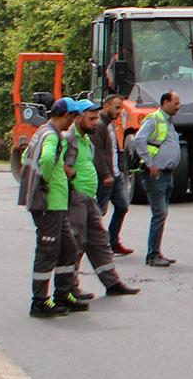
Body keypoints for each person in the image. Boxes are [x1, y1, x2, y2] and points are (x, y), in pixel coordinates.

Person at [14, 98, 86, 318]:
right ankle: (39, 302)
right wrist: (47, 179)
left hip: (56, 204)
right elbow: (45, 160)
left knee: (68, 248)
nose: (73, 122)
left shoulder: (43, 131)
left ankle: (63, 295)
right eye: (73, 117)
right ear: (66, 116)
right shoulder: (52, 135)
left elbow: (27, 156)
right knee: (48, 252)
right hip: (48, 204)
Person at [64, 100, 138, 299]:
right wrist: (70, 178)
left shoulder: (86, 136)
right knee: (76, 243)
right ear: (78, 116)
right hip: (75, 198)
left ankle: (112, 283)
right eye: (91, 118)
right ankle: (70, 287)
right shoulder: (68, 138)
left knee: (99, 242)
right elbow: (52, 164)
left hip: (89, 196)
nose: (96, 122)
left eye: (97, 118)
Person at [131, 92, 182, 267]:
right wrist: (150, 163)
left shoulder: (168, 121)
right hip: (156, 175)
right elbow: (139, 140)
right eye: (175, 103)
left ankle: (156, 252)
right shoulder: (154, 119)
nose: (178, 106)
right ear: (165, 102)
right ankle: (152, 255)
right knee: (159, 214)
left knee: (161, 214)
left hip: (167, 174)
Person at [94, 95, 135, 256]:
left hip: (115, 175)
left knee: (122, 206)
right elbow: (99, 153)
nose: (120, 111)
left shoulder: (110, 124)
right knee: (99, 212)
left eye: (121, 108)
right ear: (106, 105)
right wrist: (106, 175)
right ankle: (94, 244)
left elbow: (114, 149)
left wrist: (121, 169)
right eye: (117, 107)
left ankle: (113, 242)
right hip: (106, 177)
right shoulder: (98, 125)